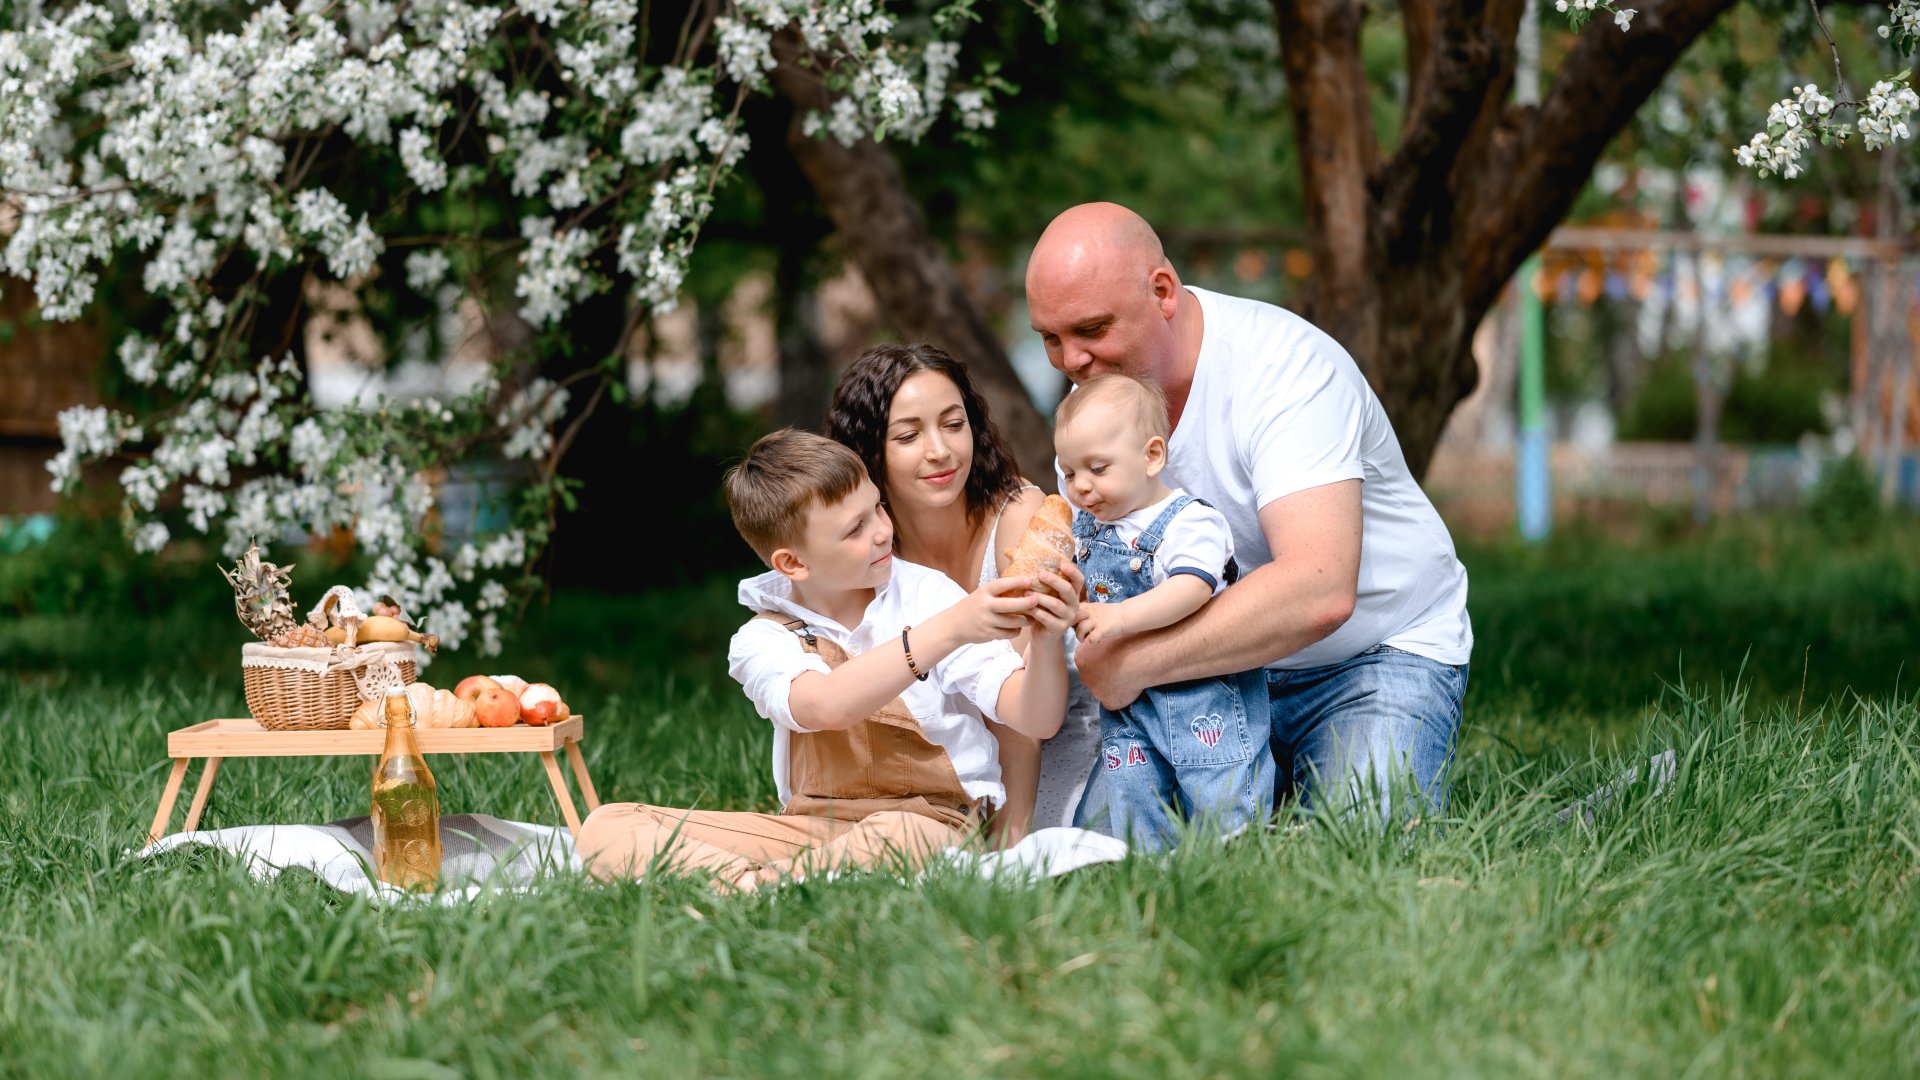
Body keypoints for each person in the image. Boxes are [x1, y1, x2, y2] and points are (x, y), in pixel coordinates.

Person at [1025, 202, 1472, 818]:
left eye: (1093, 330)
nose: (1072, 362)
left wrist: (1136, 665)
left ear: (1163, 292)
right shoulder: (1094, 413)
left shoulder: (1284, 368)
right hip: (1200, 674)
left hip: (1365, 653)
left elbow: (1319, 589)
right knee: (1105, 856)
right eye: (1051, 338)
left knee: (1358, 860)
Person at [575, 430, 1077, 889]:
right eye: (854, 528)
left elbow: (1036, 717)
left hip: (932, 825)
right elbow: (824, 706)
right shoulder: (762, 639)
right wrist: (951, 628)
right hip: (811, 830)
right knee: (605, 828)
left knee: (900, 835)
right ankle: (761, 885)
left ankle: (758, 885)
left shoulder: (927, 596)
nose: (882, 531)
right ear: (793, 563)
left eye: (878, 509)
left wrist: (1047, 639)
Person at [827, 343, 1102, 842]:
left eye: (954, 425)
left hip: (1042, 751)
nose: (940, 451)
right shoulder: (869, 552)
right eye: (909, 435)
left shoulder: (1020, 517)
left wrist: (1008, 854)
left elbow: (1016, 716)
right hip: (932, 770)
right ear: (868, 449)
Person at [1055, 374, 1274, 849]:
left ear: (1152, 456)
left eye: (1098, 468)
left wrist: (1120, 617)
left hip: (1204, 694)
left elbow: (1193, 587)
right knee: (1132, 791)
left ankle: (1239, 865)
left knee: (1220, 791)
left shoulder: (1189, 520)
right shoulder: (1090, 528)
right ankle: (1149, 869)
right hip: (1131, 703)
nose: (1081, 487)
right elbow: (1088, 596)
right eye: (1070, 473)